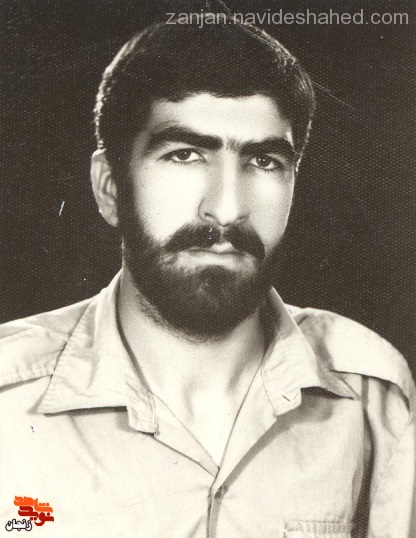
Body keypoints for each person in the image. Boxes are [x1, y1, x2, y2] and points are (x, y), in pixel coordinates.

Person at [0, 16, 414, 538]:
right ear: (110, 188)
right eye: (185, 155)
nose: (226, 209)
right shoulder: (8, 401)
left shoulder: (373, 394)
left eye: (264, 160)